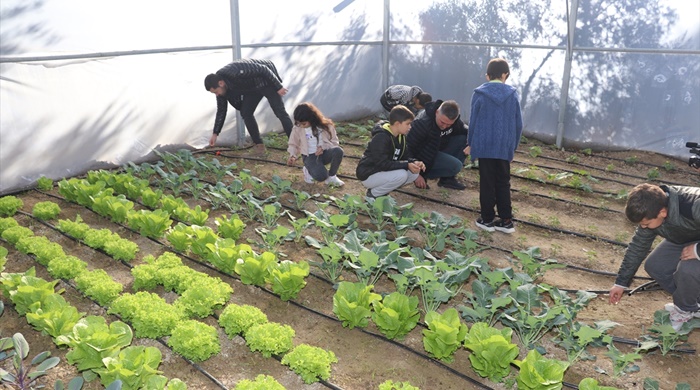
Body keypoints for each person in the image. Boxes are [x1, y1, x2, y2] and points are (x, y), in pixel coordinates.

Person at [609, 183, 700, 331]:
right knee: (656, 266)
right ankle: (694, 304)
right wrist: (621, 283)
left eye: (646, 223)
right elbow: (638, 247)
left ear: (663, 212)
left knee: (688, 269)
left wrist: (697, 251)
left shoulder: (694, 204)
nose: (643, 227)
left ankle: (685, 309)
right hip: (686, 236)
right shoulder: (652, 207)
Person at [468, 58, 523, 234]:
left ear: (487, 75)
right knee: (503, 182)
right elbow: (518, 124)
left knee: (487, 181)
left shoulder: (479, 93)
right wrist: (512, 146)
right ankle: (506, 220)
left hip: (485, 145)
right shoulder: (512, 94)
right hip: (503, 146)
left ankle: (487, 219)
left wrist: (471, 144)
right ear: (505, 75)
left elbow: (473, 121)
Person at [204, 58, 294, 153]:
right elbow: (221, 111)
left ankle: (294, 143)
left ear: (221, 83)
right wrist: (215, 133)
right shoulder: (221, 90)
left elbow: (263, 69)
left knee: (280, 112)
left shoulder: (234, 71)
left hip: (266, 81)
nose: (217, 95)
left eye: (216, 92)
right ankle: (259, 145)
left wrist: (278, 86)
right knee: (246, 112)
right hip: (252, 88)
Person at [356, 105, 426, 198]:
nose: (410, 127)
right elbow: (382, 163)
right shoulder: (381, 137)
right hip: (369, 174)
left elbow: (405, 157)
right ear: (397, 124)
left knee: (414, 173)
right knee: (402, 175)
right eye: (408, 124)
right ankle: (373, 194)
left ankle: (381, 191)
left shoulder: (401, 137)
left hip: (382, 172)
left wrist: (414, 162)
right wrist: (406, 165)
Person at [406, 100, 469, 190]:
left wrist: (471, 143)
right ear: (437, 112)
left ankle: (447, 179)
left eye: (449, 124)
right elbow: (408, 148)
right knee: (456, 166)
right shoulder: (422, 123)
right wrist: (416, 175)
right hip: (422, 157)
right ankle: (424, 174)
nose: (444, 126)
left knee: (463, 138)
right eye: (442, 122)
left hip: (436, 150)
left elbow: (466, 130)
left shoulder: (454, 123)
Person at [286, 103, 345, 187]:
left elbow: (334, 142)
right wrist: (292, 155)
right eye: (299, 123)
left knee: (338, 151)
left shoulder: (326, 126)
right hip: (309, 156)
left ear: (312, 119)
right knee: (321, 177)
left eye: (304, 124)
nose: (301, 126)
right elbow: (293, 143)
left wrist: (323, 147)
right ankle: (308, 169)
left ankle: (332, 176)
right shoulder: (297, 128)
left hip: (324, 153)